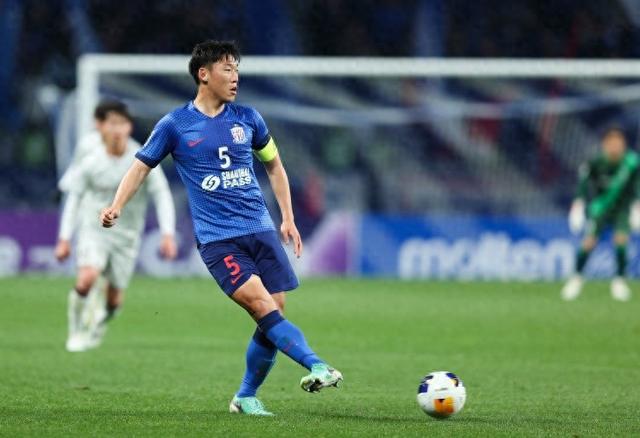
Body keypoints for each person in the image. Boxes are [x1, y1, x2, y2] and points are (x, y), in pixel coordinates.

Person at [100, 40, 342, 416]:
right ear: (204, 74)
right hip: (219, 239)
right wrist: (117, 205)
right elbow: (140, 167)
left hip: (260, 228)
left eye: (237, 70)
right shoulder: (175, 125)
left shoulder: (249, 119)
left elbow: (274, 165)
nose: (235, 77)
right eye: (227, 69)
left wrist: (288, 217)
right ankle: (317, 365)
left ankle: (245, 396)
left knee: (274, 310)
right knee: (262, 306)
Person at [56, 100, 178, 352]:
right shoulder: (91, 160)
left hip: (127, 236)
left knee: (114, 301)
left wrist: (167, 233)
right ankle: (76, 330)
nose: (117, 130)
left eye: (122, 124)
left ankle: (99, 322)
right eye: (112, 123)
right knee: (86, 279)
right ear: (101, 127)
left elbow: (162, 194)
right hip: (94, 230)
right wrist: (64, 238)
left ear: (129, 127)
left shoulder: (143, 158)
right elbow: (74, 198)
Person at [562, 127, 640, 301]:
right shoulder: (595, 164)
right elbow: (583, 185)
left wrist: (637, 207)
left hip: (622, 209)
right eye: (611, 143)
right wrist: (578, 205)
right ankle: (576, 278)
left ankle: (619, 281)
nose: (615, 147)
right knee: (588, 242)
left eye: (618, 143)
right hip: (601, 209)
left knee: (621, 240)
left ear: (624, 145)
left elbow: (637, 187)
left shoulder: (631, 164)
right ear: (605, 144)